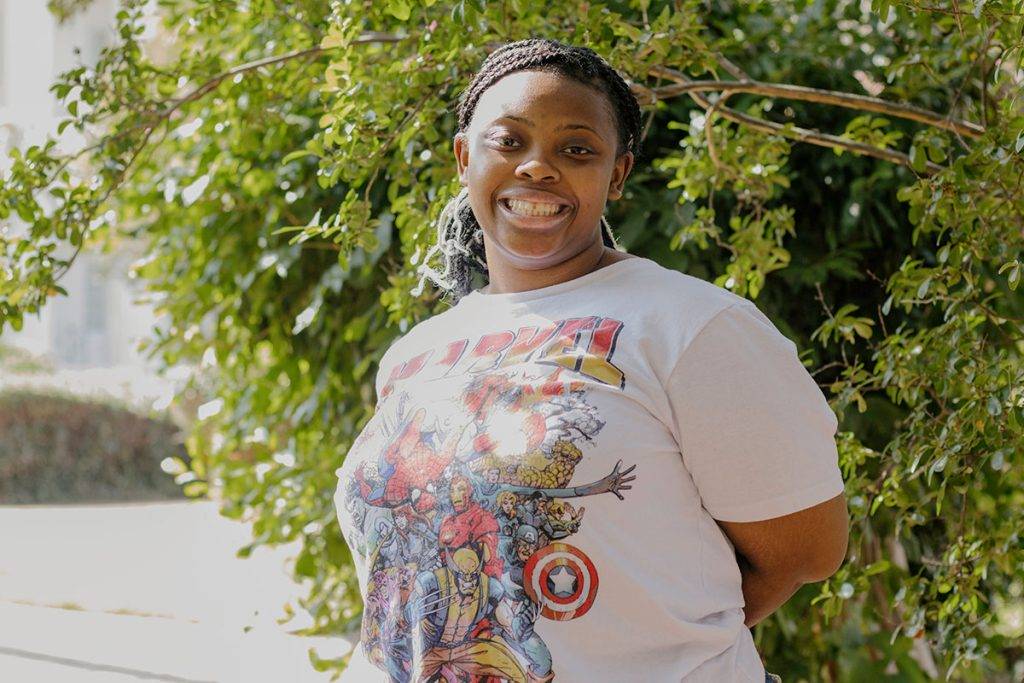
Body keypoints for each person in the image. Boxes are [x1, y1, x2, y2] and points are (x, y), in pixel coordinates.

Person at [334, 38, 847, 683]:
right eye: (509, 142)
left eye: (576, 149)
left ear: (619, 173)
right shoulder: (416, 354)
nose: (538, 168)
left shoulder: (692, 329)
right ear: (465, 158)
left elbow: (803, 552)